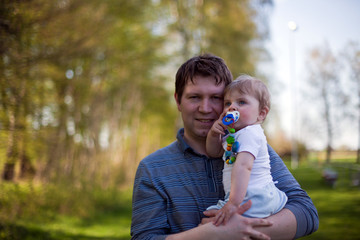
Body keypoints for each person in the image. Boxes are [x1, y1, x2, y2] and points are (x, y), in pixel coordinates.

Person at [131, 53, 319, 240]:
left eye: (216, 98)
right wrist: (208, 235)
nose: (205, 108)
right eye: (194, 97)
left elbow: (307, 213)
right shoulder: (152, 169)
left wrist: (236, 232)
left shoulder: (253, 148)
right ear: (178, 101)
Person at [206, 75, 287, 226]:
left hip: (252, 196)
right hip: (247, 195)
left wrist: (232, 204)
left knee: (211, 224)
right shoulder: (233, 134)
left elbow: (244, 166)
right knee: (209, 222)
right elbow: (214, 152)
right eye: (227, 103)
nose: (232, 107)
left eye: (241, 102)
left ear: (261, 113)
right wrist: (213, 133)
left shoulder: (250, 133)